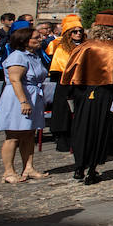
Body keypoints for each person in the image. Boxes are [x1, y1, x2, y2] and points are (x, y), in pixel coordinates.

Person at [63, 12, 113, 183]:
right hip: (106, 93)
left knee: (82, 127)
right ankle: (92, 168)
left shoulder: (84, 47)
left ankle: (79, 166)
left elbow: (70, 71)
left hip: (84, 93)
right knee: (100, 130)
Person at [0, 24, 49, 184]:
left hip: (33, 95)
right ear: (25, 41)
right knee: (13, 135)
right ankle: (8, 171)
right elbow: (15, 80)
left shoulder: (34, 55)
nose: (40, 39)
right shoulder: (17, 56)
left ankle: (28, 167)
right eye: (36, 37)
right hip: (18, 97)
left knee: (28, 134)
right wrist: (23, 101)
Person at [44, 15, 85, 151]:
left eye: (80, 31)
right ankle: (64, 141)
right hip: (65, 85)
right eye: (74, 31)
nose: (78, 34)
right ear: (68, 33)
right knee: (64, 114)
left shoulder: (86, 46)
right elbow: (59, 68)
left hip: (82, 84)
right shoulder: (62, 48)